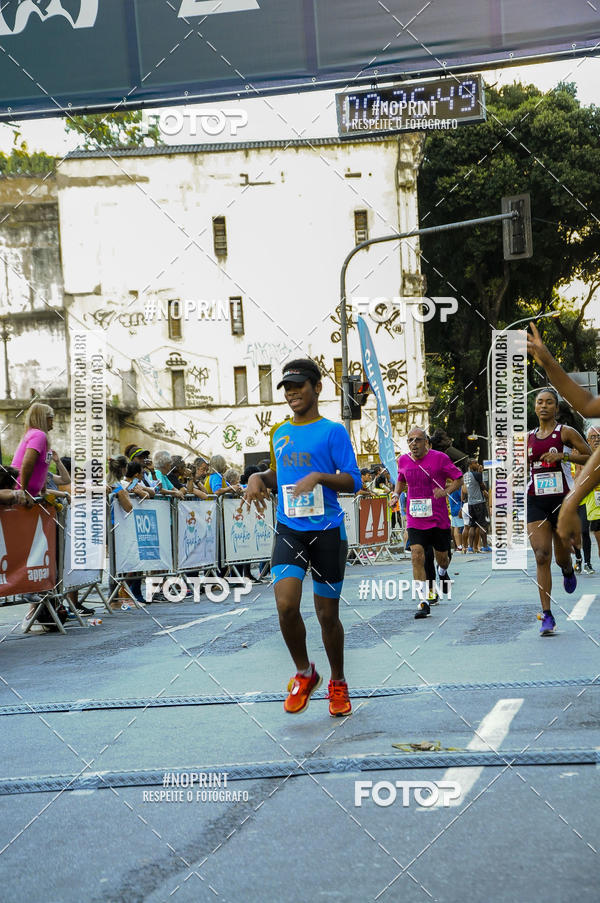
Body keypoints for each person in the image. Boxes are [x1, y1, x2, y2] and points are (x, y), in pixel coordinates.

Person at [244, 358, 361, 717]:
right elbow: (277, 473)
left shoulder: (333, 431)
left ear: (317, 388)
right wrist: (257, 479)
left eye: (299, 386)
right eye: (287, 388)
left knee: (327, 616)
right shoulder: (279, 432)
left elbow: (354, 480)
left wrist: (320, 477)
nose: (292, 392)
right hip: (290, 528)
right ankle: (304, 672)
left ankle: (338, 683)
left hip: (327, 531)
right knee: (285, 605)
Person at [526, 388, 591, 636]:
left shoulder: (565, 432)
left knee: (560, 558)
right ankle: (547, 615)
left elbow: (591, 457)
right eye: (540, 402)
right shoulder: (528, 438)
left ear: (556, 407)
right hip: (536, 501)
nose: (544, 406)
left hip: (562, 502)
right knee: (541, 555)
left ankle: (567, 568)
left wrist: (564, 456)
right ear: (534, 407)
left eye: (549, 402)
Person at [392, 427, 463, 619]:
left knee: (442, 557)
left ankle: (442, 571)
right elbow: (400, 479)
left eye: (417, 440)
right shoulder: (404, 460)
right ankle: (423, 601)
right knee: (417, 555)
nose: (413, 444)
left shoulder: (440, 458)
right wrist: (395, 494)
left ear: (426, 442)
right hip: (415, 518)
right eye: (410, 440)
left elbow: (458, 478)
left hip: (437, 518)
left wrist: (446, 491)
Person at [12, 403, 55, 631]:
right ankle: (34, 606)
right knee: (28, 553)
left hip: (36, 495)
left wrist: (43, 491)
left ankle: (38, 607)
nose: (53, 422)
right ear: (41, 417)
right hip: (25, 496)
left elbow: (41, 467)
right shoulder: (38, 435)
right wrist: (25, 490)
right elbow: (27, 463)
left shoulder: (39, 436)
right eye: (50, 417)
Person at [463, 459, 491, 552]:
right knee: (483, 525)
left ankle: (470, 548)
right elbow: (483, 487)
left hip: (470, 503)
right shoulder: (477, 474)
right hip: (479, 502)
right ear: (470, 465)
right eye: (475, 463)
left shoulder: (465, 475)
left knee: (472, 526)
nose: (478, 464)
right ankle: (485, 546)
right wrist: (480, 473)